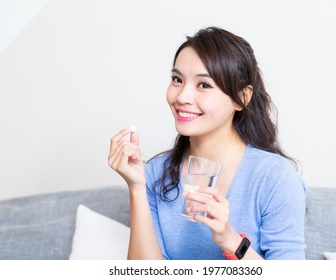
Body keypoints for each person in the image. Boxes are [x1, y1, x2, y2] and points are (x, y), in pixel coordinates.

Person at [108, 27, 306, 260]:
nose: (182, 97)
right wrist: (137, 188)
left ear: (242, 97)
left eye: (204, 85)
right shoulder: (154, 173)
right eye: (177, 80)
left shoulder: (274, 177)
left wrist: (231, 240)